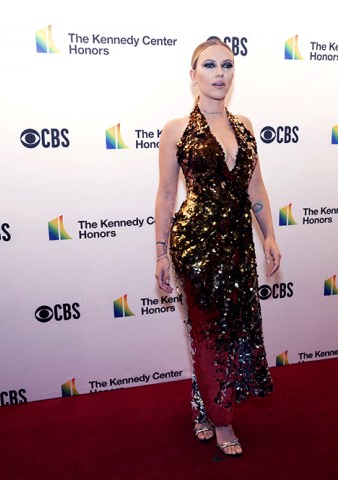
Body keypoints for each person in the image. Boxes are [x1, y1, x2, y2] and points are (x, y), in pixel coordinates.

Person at [154, 37, 281, 457]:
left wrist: (269, 233)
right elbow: (167, 194)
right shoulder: (176, 129)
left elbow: (255, 186)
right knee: (208, 333)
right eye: (209, 66)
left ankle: (203, 405)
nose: (220, 73)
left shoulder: (244, 125)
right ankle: (223, 420)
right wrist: (160, 252)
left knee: (233, 330)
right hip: (195, 245)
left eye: (227, 65)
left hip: (238, 246)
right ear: (193, 76)